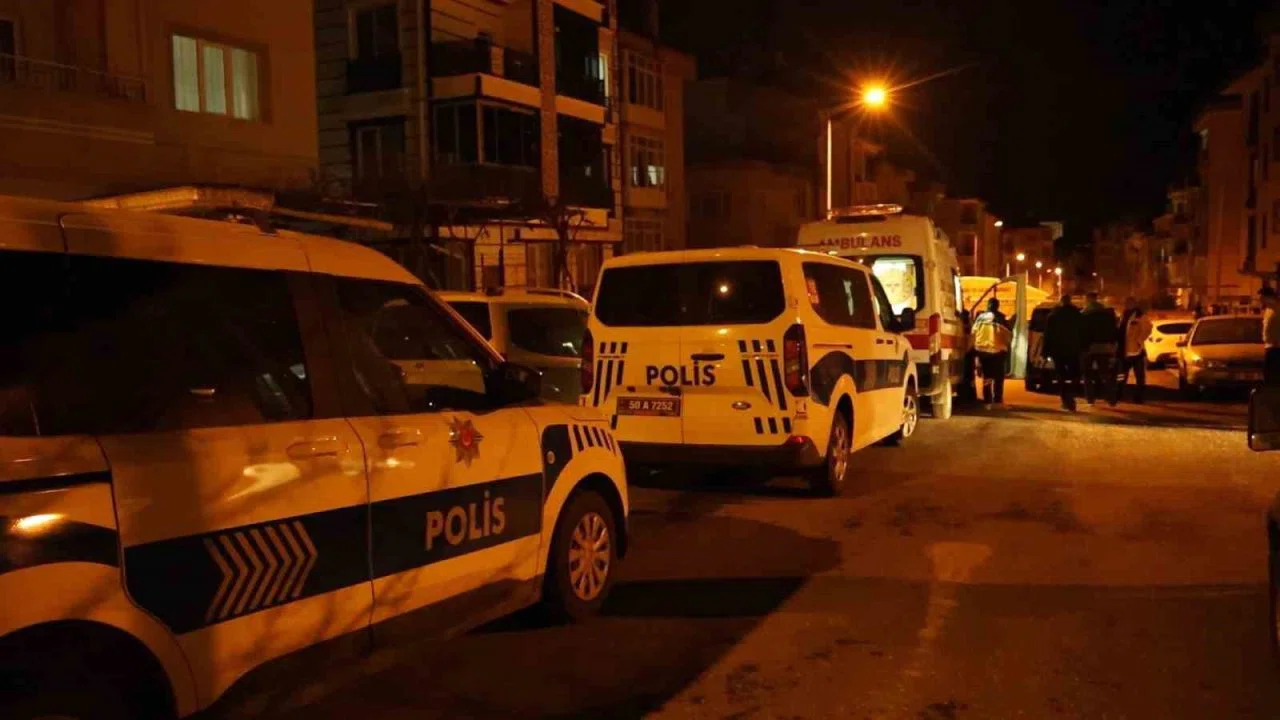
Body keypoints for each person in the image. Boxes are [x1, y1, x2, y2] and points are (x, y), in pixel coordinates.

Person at [1045, 294, 1084, 411]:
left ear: (1061, 302)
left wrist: (1045, 351)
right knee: (1075, 374)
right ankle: (1071, 394)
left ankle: (1065, 398)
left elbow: (1048, 335)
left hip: (1058, 350)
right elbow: (1083, 332)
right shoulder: (1077, 315)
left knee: (1060, 375)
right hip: (1073, 349)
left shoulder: (1053, 315)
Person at [971, 297, 1013, 406]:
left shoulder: (980, 318)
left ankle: (987, 398)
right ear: (997, 306)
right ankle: (997, 399)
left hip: (983, 351)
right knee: (998, 376)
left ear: (987, 305)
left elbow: (973, 332)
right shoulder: (1001, 318)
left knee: (987, 375)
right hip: (997, 351)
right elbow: (1008, 335)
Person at [1081, 292, 1117, 406]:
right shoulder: (1107, 314)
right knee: (1105, 374)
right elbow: (1113, 330)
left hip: (1089, 348)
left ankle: (1090, 399)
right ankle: (1111, 398)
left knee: (1087, 375)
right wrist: (1112, 344)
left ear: (1088, 299)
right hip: (1104, 347)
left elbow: (1082, 332)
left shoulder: (1085, 314)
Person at [1114, 297, 1152, 404]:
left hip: (1136, 351)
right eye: (1126, 303)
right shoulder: (1123, 316)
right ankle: (1119, 394)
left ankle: (1139, 397)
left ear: (1134, 304)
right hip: (1123, 351)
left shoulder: (1140, 316)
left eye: (1129, 303)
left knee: (1139, 376)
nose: (1127, 305)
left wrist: (1139, 341)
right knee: (1121, 375)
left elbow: (1148, 328)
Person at [1263, 285, 1280, 386]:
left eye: (1262, 298)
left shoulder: (1278, 309)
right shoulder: (1268, 310)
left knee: (1274, 374)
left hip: (1277, 347)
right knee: (1268, 374)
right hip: (1269, 345)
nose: (1261, 300)